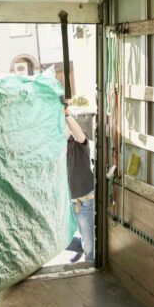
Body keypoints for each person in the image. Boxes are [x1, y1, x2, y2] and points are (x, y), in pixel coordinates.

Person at [64, 105, 95, 263]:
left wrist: (67, 115)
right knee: (61, 238)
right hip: (70, 202)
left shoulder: (79, 143)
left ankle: (90, 265)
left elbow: (79, 135)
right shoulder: (60, 147)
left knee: (90, 247)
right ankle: (82, 248)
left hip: (85, 201)